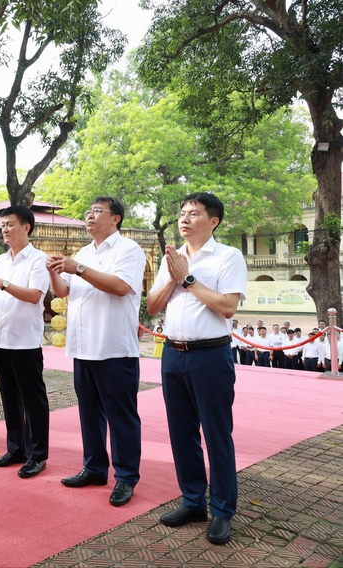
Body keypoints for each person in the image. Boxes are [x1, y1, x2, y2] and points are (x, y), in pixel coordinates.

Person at [147, 192, 246, 546]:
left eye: (194, 213)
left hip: (210, 355)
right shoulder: (171, 258)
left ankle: (221, 510)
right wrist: (173, 276)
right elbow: (153, 305)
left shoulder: (228, 257)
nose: (184, 219)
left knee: (217, 433)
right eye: (182, 213)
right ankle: (192, 502)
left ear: (213, 221)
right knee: (181, 432)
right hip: (173, 353)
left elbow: (227, 307)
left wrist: (188, 279)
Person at [46, 196, 145, 507]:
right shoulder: (85, 252)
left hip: (114, 347)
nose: (90, 216)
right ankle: (94, 467)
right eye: (88, 212)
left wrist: (79, 268)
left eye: (97, 211)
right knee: (89, 413)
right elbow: (63, 291)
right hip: (83, 347)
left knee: (121, 416)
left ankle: (126, 477)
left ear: (115, 218)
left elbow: (120, 287)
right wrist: (55, 272)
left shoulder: (128, 249)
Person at [0, 205, 50, 479]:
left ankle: (38, 455)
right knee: (9, 399)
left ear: (26, 227)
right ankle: (16, 448)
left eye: (10, 224)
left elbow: (34, 296)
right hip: (0, 339)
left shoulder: (38, 259)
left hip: (25, 340)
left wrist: (0, 282)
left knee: (33, 400)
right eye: (2, 225)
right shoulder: (1, 260)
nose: (4, 229)